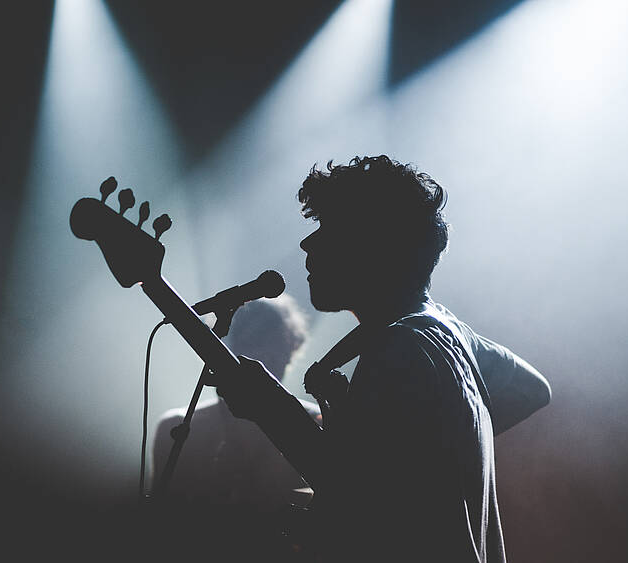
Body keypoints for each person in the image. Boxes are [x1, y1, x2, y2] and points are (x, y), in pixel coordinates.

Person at [216, 155, 551, 562]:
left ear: (374, 246)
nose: (308, 244)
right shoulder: (445, 332)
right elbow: (534, 389)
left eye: (328, 229)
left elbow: (351, 490)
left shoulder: (399, 348)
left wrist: (270, 406)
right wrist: (435, 448)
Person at [150, 294, 320, 557]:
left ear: (291, 349)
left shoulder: (320, 424)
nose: (261, 356)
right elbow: (164, 524)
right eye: (252, 341)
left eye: (271, 342)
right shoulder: (177, 427)